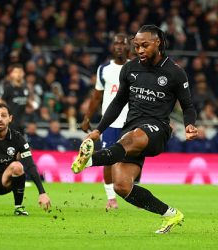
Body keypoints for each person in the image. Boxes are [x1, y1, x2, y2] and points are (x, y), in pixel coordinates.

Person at [71, 25, 198, 234]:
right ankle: (171, 214)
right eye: (137, 46)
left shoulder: (175, 72)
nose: (139, 50)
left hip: (157, 128)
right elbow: (118, 102)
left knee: (132, 139)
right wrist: (99, 130)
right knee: (121, 186)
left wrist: (190, 125)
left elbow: (188, 105)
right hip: (131, 127)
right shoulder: (130, 69)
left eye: (144, 45)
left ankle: (90, 160)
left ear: (157, 43)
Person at [80, 33, 130, 211]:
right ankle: (111, 198)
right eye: (116, 43)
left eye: (122, 43)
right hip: (110, 123)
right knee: (108, 159)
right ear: (112, 47)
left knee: (133, 157)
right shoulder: (104, 69)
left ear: (128, 47)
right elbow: (96, 96)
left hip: (131, 121)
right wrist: (87, 117)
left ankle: (134, 192)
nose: (119, 46)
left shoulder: (136, 68)